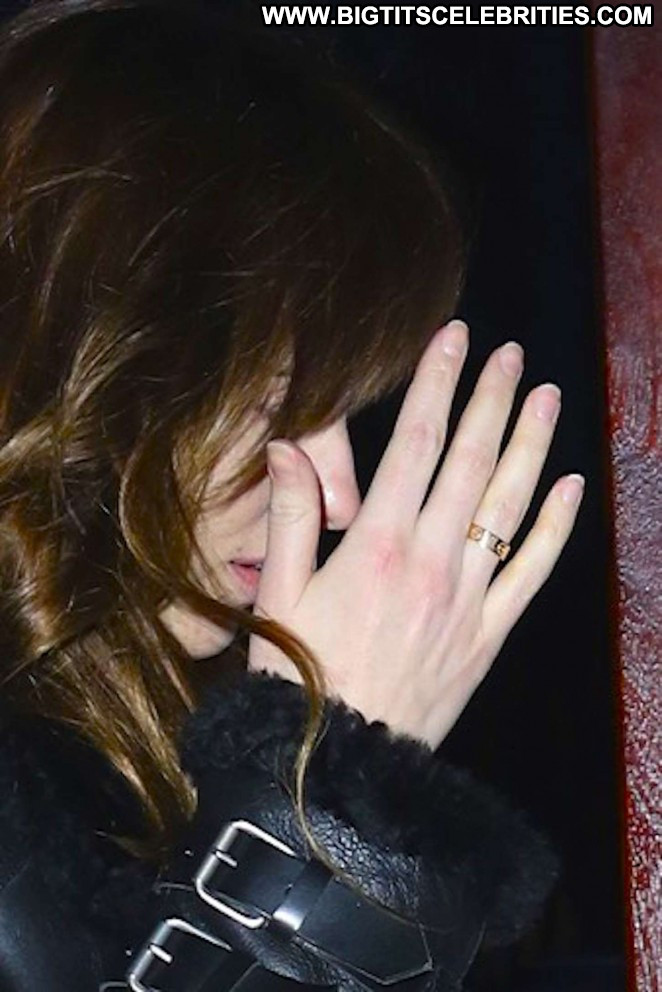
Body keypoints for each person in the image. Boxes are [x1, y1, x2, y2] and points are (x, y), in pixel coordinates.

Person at [0, 1, 584, 989]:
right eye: (280, 405)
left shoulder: (141, 739)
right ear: (90, 359)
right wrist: (324, 817)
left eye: (345, 416)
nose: (337, 498)